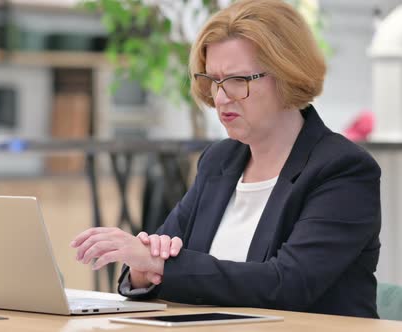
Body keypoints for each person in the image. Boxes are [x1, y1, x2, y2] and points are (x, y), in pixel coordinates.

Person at [71, 0, 381, 318]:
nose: (220, 98)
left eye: (238, 80)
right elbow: (162, 254)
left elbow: (288, 284)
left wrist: (159, 264)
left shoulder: (343, 170)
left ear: (288, 73)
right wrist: (142, 268)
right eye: (213, 81)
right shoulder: (219, 160)